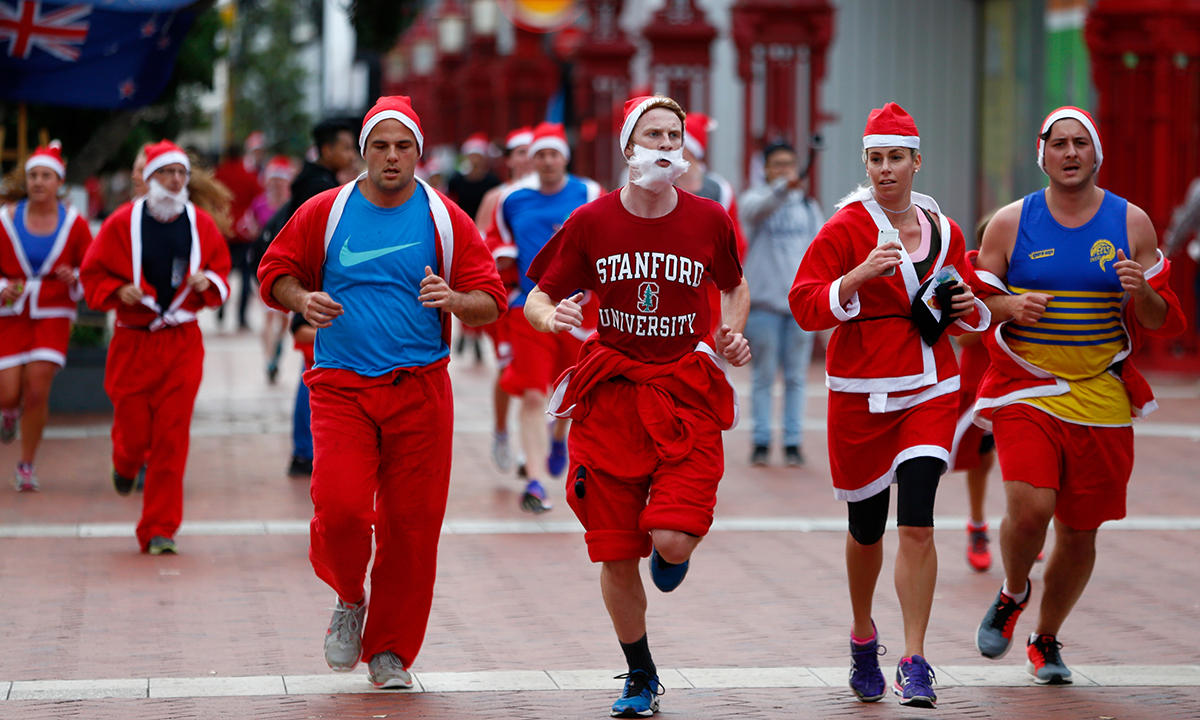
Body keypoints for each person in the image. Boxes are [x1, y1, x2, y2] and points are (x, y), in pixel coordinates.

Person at [257, 96, 506, 690]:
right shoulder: (326, 210)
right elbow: (274, 271)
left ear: (418, 152)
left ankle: (390, 651)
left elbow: (492, 300)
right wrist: (301, 300)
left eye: (403, 147)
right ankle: (349, 597)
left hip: (420, 391)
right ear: (362, 152)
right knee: (341, 509)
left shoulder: (446, 218)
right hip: (341, 387)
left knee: (412, 528)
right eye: (380, 146)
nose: (391, 157)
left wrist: (455, 300)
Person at [524, 95, 750, 718]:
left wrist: (730, 330)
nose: (664, 145)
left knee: (672, 542)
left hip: (685, 391)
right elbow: (536, 297)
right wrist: (556, 316)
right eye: (651, 134)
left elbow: (734, 283)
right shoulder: (592, 222)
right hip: (611, 399)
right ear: (628, 148)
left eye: (673, 135)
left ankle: (672, 548)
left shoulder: (709, 219)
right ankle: (640, 673)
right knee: (617, 550)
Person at [971, 107, 1185, 685]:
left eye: (1080, 144)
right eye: (1058, 144)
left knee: (1080, 530)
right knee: (1032, 508)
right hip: (1029, 388)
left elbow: (1165, 322)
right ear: (1041, 154)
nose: (1069, 153)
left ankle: (1045, 639)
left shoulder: (1131, 222)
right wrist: (1008, 305)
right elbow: (971, 307)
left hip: (1102, 395)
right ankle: (1014, 591)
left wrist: (1142, 294)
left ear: (1097, 155)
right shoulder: (1011, 224)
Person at [789, 103, 987, 709]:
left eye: (896, 158)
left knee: (919, 524)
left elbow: (968, 303)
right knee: (866, 529)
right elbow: (804, 305)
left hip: (929, 386)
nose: (884, 169)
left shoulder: (944, 227)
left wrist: (968, 310)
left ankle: (916, 659)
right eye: (875, 159)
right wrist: (853, 277)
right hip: (861, 394)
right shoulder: (844, 228)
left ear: (916, 161)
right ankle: (861, 635)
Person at [81, 140, 231, 555]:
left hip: (182, 342)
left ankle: (160, 528)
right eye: (166, 173)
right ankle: (125, 463)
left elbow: (222, 273)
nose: (175, 181)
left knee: (171, 437)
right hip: (133, 340)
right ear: (149, 178)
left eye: (181, 174)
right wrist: (118, 289)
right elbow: (92, 276)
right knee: (133, 433)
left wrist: (210, 284)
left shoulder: (200, 223)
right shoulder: (121, 222)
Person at [492, 122, 602, 512]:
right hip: (530, 308)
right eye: (540, 154)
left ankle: (559, 437)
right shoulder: (513, 199)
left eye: (554, 153)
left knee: (570, 393)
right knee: (535, 392)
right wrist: (504, 284)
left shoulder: (589, 194)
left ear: (565, 156)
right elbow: (497, 245)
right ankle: (536, 482)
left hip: (579, 312)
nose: (548, 161)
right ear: (532, 160)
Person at [258, 117, 360, 478]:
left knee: (311, 365)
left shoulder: (314, 179)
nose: (351, 155)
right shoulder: (318, 185)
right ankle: (303, 450)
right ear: (328, 149)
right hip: (314, 288)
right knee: (311, 367)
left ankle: (305, 449)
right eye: (347, 147)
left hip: (310, 289)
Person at [0, 142, 93, 491]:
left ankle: (26, 464)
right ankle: (9, 413)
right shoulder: (5, 220)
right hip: (10, 313)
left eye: (46, 176)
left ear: (59, 182)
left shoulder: (75, 223)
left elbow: (93, 267)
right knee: (8, 393)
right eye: (34, 175)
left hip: (53, 311)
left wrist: (77, 278)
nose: (39, 182)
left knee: (37, 387)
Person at [739, 141, 823, 468]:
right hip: (764, 308)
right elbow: (754, 212)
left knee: (796, 378)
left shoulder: (807, 205)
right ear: (766, 168)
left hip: (799, 309)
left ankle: (792, 442)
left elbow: (820, 248)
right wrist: (780, 189)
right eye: (777, 164)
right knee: (762, 377)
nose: (785, 170)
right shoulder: (755, 199)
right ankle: (761, 441)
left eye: (790, 163)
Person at [476, 126, 535, 473]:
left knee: (539, 374)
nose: (530, 159)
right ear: (510, 159)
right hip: (505, 299)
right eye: (522, 152)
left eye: (537, 151)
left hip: (540, 299)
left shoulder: (554, 195)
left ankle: (532, 449)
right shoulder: (496, 198)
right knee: (506, 369)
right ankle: (501, 431)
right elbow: (479, 248)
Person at [242, 156, 294, 384]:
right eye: (273, 180)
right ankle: (269, 360)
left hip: (287, 269)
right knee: (268, 317)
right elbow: (246, 227)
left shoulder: (294, 204)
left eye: (280, 180)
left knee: (283, 319)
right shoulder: (259, 204)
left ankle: (279, 344)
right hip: (261, 268)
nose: (276, 184)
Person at [213, 143, 264, 331]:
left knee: (223, 273)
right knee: (244, 277)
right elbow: (259, 200)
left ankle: (220, 306)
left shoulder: (218, 174)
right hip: (243, 233)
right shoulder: (249, 176)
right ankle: (241, 318)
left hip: (223, 230)